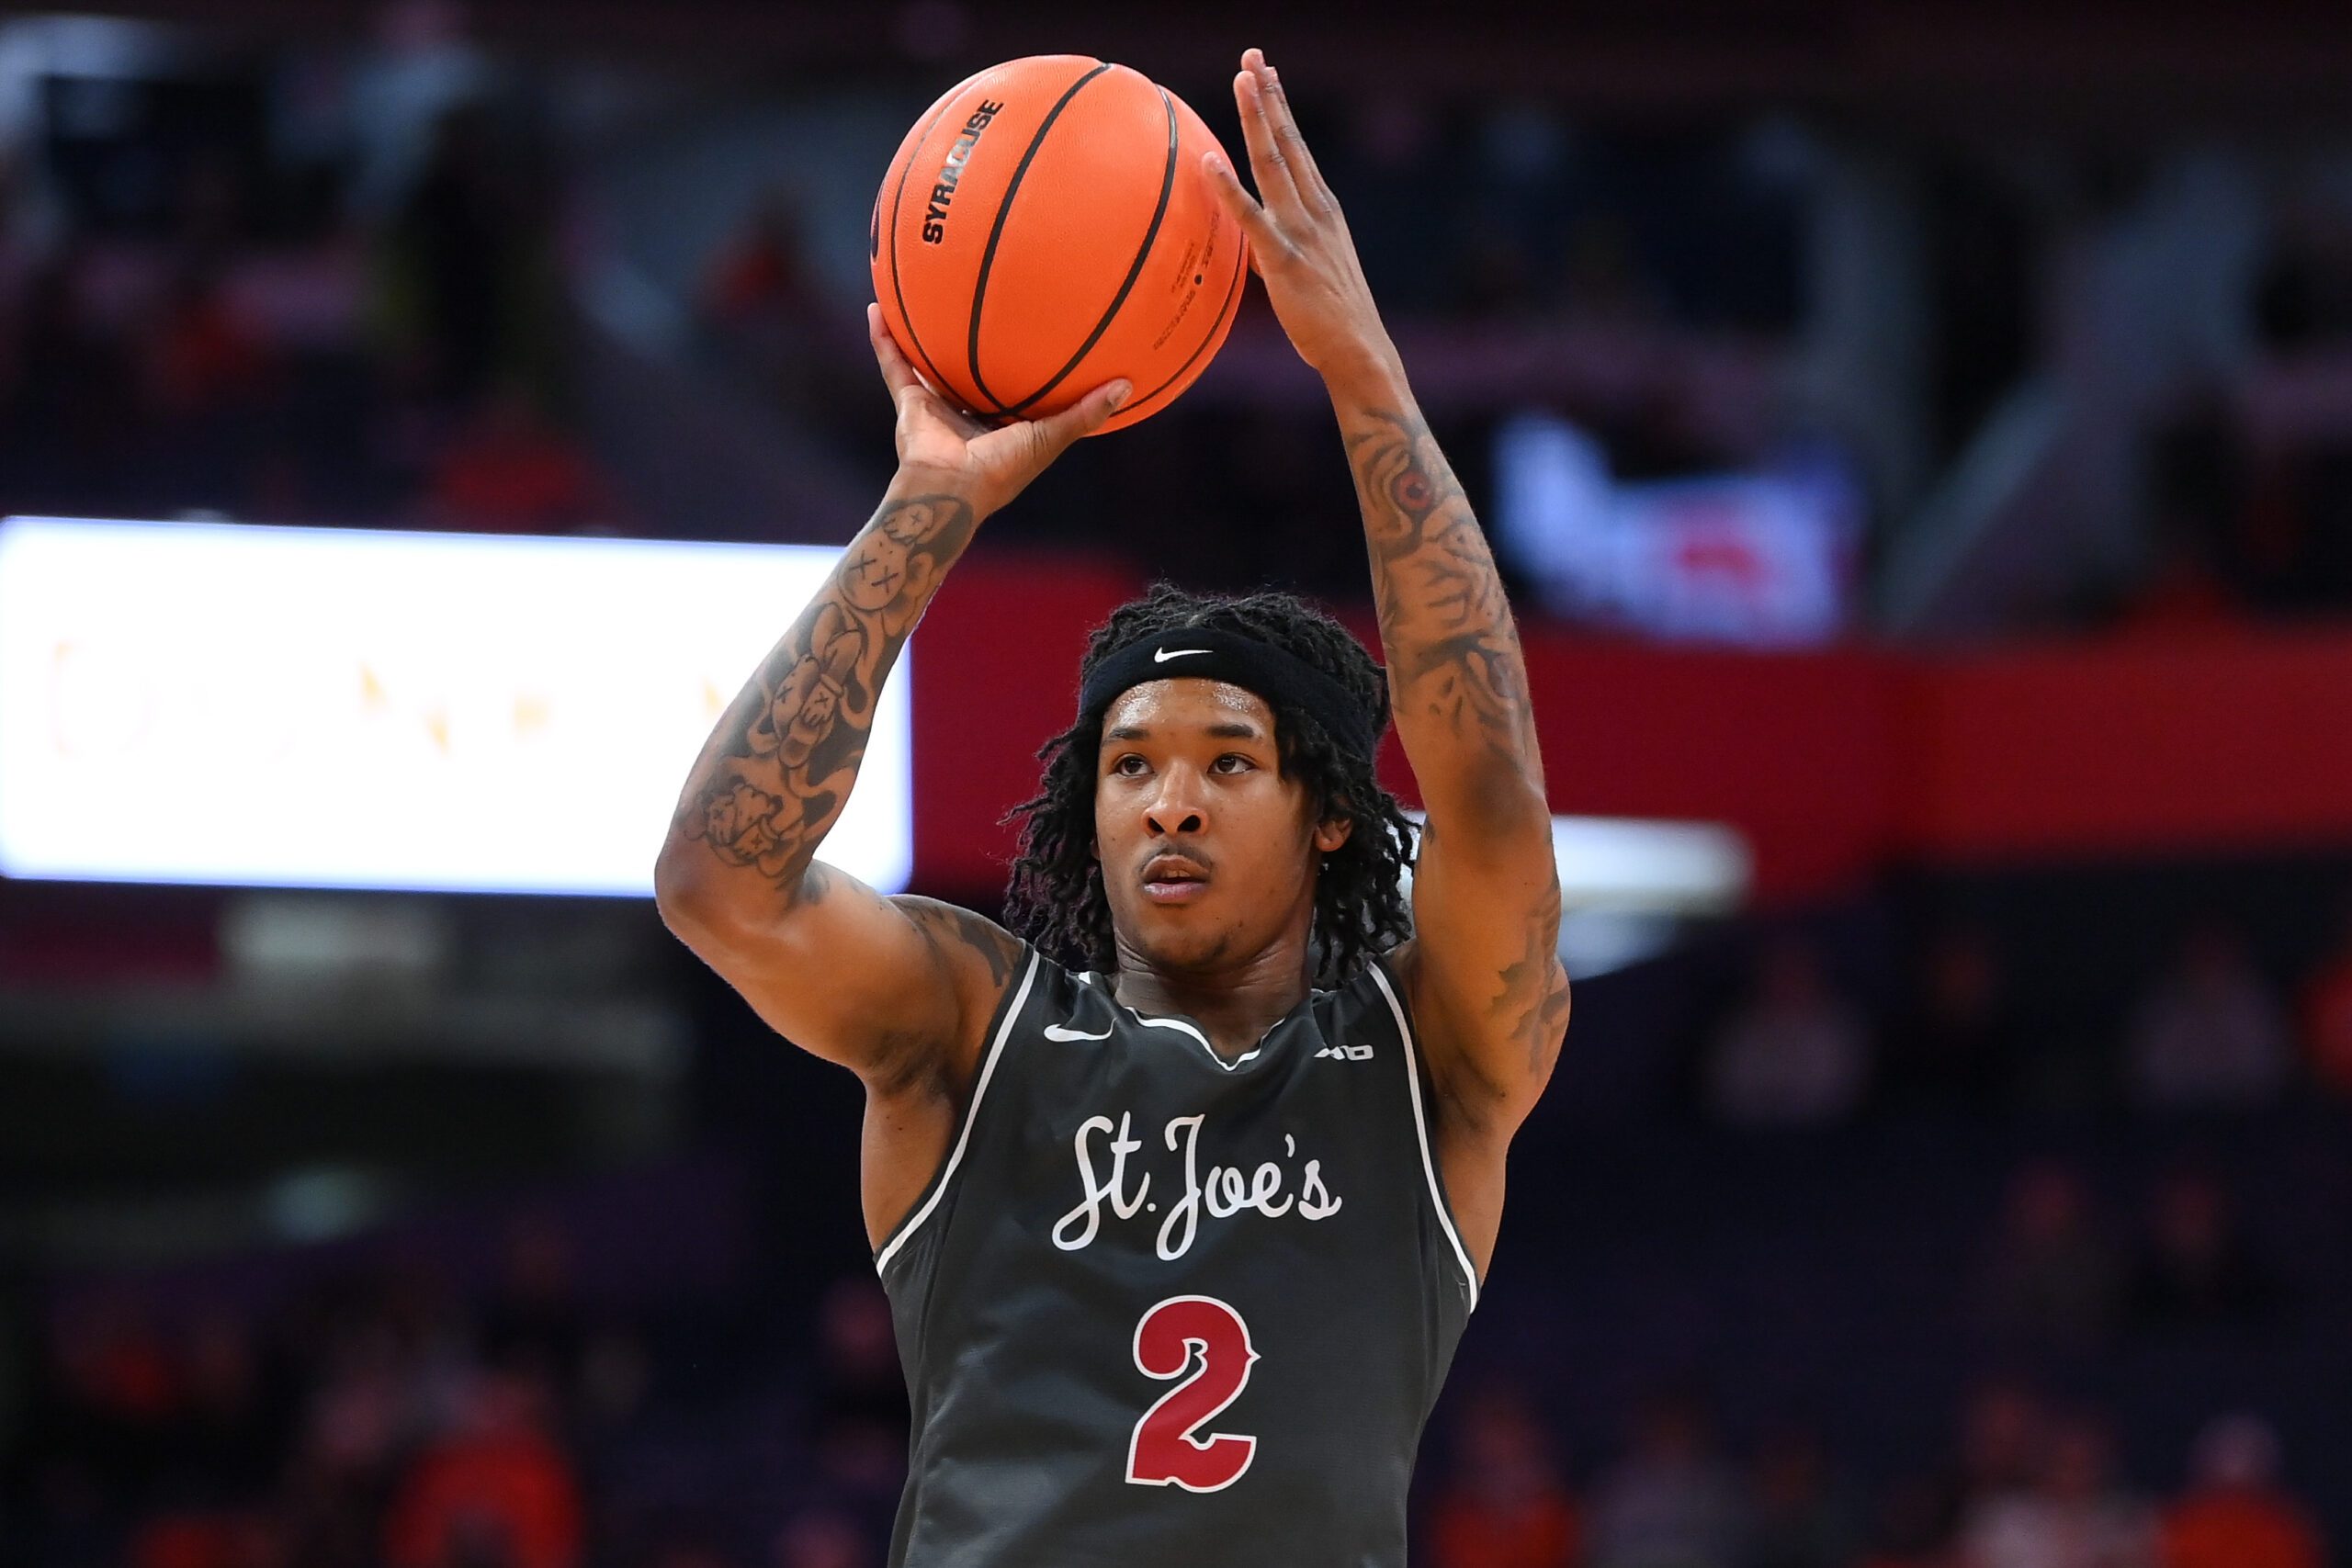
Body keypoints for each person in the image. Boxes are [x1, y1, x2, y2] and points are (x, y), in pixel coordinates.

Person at [653, 47, 1567, 1568]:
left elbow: (1490, 803)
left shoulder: (1429, 1063)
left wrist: (1367, 381)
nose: (1169, 805)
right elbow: (717, 884)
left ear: (1332, 816)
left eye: (1228, 763)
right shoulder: (975, 1029)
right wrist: (927, 505)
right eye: (1130, 766)